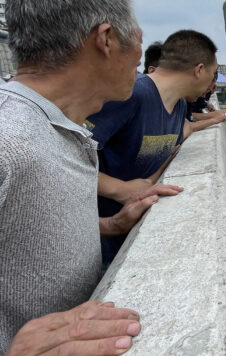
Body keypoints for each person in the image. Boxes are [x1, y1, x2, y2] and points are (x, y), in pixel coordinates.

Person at [0, 0, 156, 355]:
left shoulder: (59, 128)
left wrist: (108, 225)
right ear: (105, 38)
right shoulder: (9, 137)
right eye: (136, 50)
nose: (138, 63)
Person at [87, 29, 219, 264]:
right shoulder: (131, 94)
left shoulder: (179, 105)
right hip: (97, 244)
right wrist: (120, 189)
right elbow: (61, 158)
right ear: (199, 70)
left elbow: (170, 150)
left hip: (132, 237)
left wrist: (149, 184)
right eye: (212, 74)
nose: (211, 84)